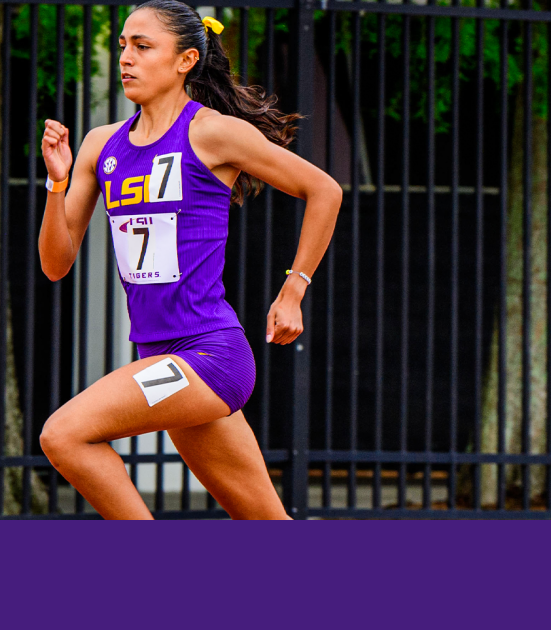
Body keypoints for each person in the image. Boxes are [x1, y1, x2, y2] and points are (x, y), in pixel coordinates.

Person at [38, 0, 342, 519]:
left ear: (185, 61)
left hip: (208, 357)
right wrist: (58, 182)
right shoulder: (99, 145)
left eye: (143, 46)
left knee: (63, 435)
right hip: (161, 358)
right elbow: (55, 264)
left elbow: (324, 189)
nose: (126, 59)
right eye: (123, 46)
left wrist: (293, 290)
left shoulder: (212, 133)